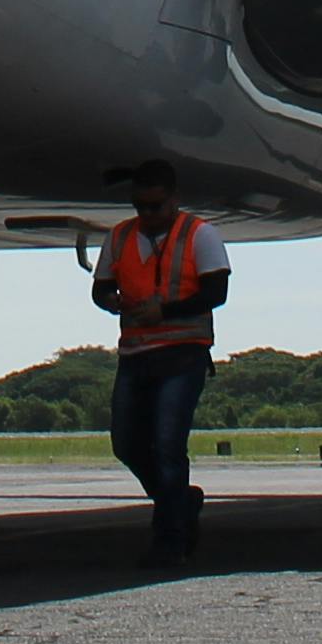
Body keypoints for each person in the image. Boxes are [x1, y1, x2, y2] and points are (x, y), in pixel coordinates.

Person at [93, 157, 230, 558]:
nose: (148, 216)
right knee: (127, 443)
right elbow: (100, 287)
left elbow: (215, 294)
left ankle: (171, 538)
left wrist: (165, 312)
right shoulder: (119, 237)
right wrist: (110, 301)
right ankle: (178, 502)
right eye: (140, 207)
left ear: (173, 200)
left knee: (168, 443)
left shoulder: (200, 235)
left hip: (183, 354)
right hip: (136, 354)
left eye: (155, 207)